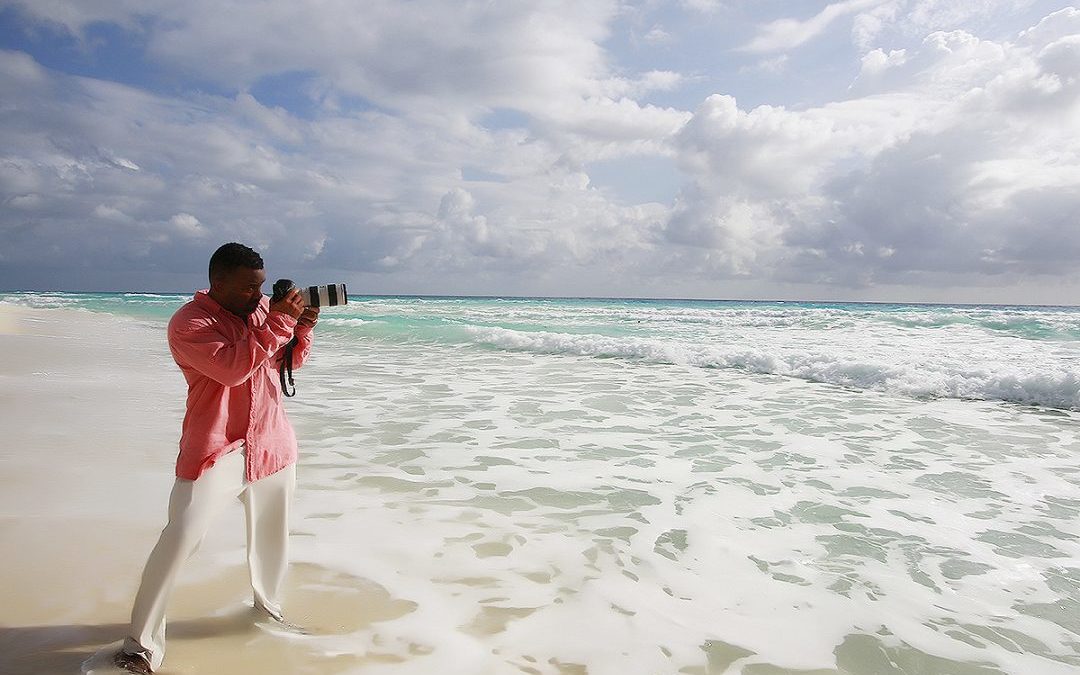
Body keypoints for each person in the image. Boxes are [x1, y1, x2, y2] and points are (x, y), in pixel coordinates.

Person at [114, 243, 318, 674]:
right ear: (218, 282)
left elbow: (286, 363)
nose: (257, 296)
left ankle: (268, 612)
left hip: (272, 443)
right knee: (180, 538)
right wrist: (280, 319)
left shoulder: (263, 311)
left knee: (271, 540)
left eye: (261, 286)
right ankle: (139, 646)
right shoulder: (190, 323)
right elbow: (233, 368)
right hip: (216, 449)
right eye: (248, 287)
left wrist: (302, 328)